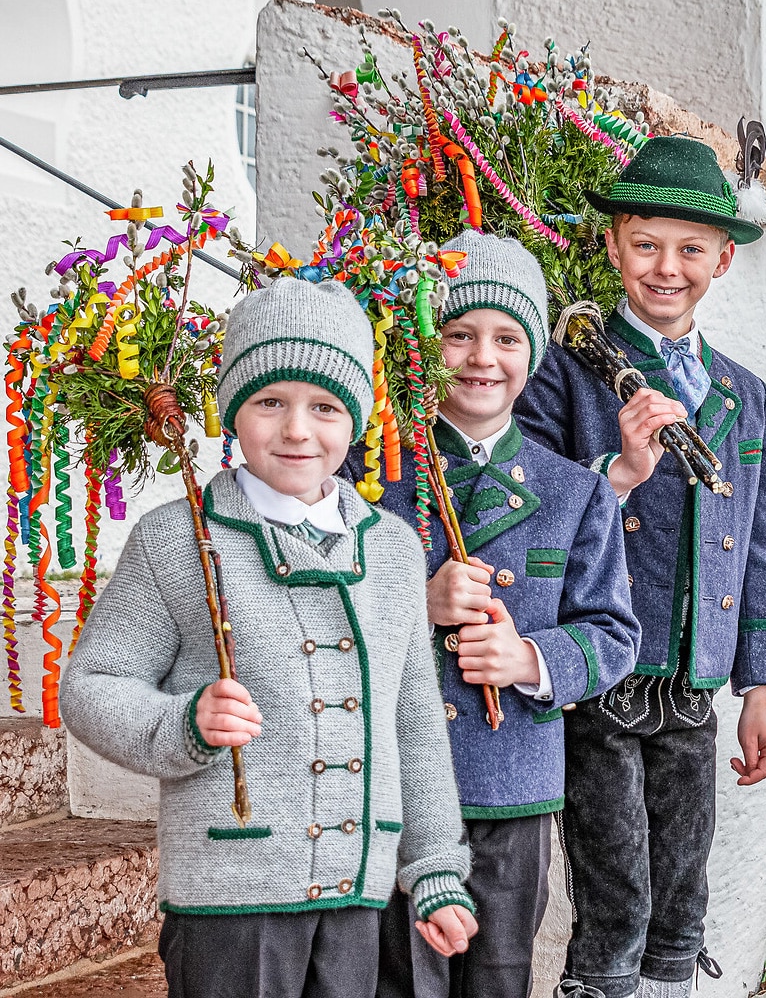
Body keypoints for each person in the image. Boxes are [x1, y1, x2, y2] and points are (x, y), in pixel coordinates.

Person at [61, 277, 478, 998]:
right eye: (269, 402)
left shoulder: (394, 549)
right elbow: (91, 687)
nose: (296, 431)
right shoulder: (176, 540)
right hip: (229, 899)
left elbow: (414, 721)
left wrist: (436, 866)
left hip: (358, 894)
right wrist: (182, 722)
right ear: (231, 411)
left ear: (356, 418)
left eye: (323, 407)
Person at [513, 135, 766, 998]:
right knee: (618, 897)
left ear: (724, 259)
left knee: (679, 897)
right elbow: (530, 513)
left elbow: (760, 542)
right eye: (646, 244)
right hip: (601, 676)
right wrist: (620, 472)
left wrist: (758, 689)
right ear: (612, 245)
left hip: (694, 686)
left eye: (690, 250)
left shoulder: (744, 394)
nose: (666, 268)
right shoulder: (564, 373)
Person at [344, 230, 641, 998]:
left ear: (532, 354)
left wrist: (530, 661)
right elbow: (319, 615)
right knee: (402, 980)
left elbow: (613, 633)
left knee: (500, 977)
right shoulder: (372, 480)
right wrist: (419, 599)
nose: (483, 357)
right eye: (459, 334)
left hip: (513, 786)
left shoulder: (574, 490)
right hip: (397, 788)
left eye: (507, 337)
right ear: (426, 346)